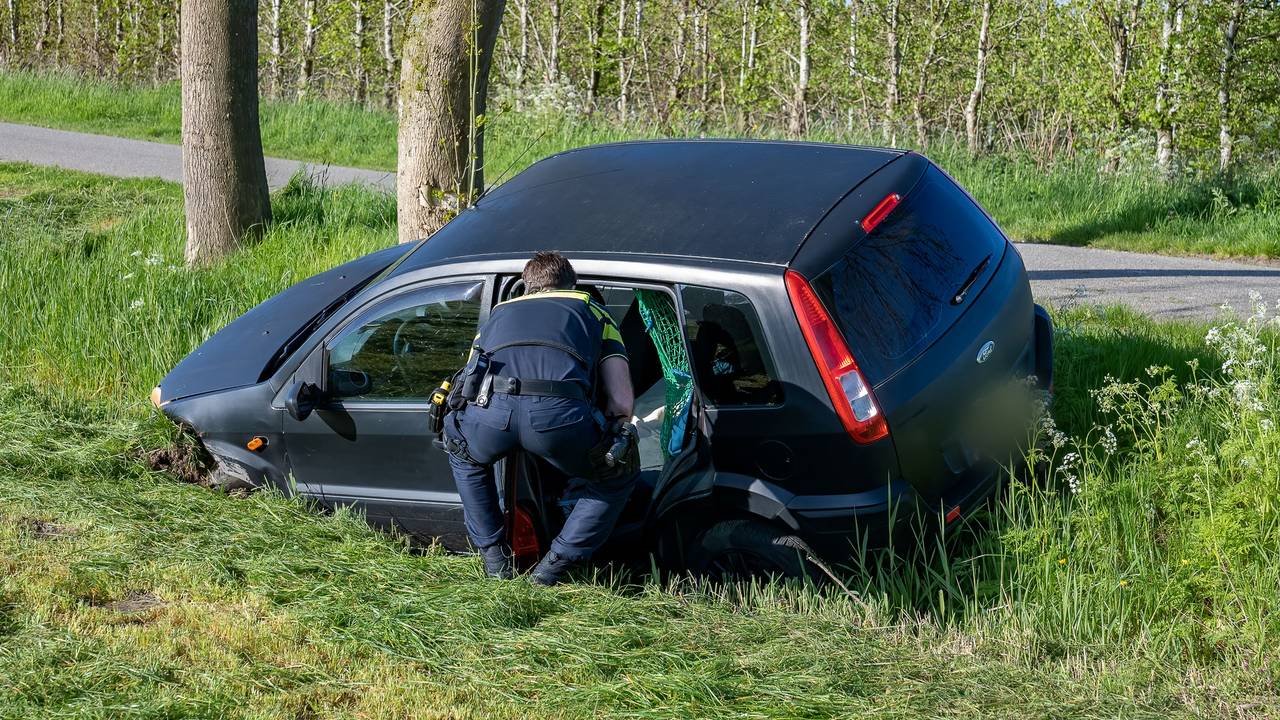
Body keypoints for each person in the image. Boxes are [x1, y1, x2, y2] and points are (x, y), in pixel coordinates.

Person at [442, 251, 639, 585]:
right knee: (617, 475)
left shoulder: (498, 313)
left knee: (464, 455)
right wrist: (609, 430)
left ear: (527, 285)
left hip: (491, 412)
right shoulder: (595, 312)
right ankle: (552, 569)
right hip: (558, 418)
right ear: (573, 284)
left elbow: (468, 381)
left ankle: (494, 558)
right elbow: (622, 402)